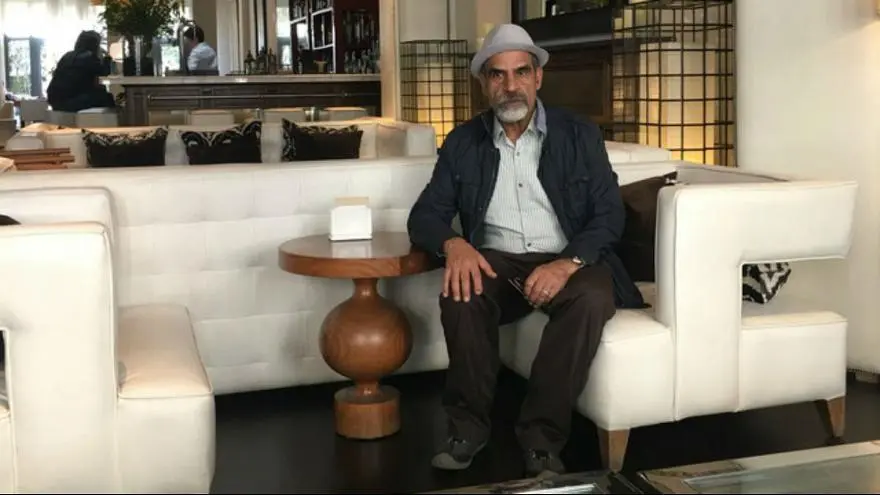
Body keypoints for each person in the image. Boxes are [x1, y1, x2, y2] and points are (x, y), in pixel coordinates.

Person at [406, 23, 645, 479]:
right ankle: (467, 430)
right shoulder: (463, 142)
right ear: (485, 84)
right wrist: (454, 244)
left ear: (538, 78)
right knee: (462, 290)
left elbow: (609, 214)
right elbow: (424, 216)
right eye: (498, 74)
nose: (510, 85)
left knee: (592, 298)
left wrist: (567, 263)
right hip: (499, 260)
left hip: (570, 258)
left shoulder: (578, 134)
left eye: (520, 72)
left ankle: (541, 439)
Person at [46, 30, 114, 113]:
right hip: (72, 102)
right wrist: (107, 58)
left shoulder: (67, 56)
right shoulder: (90, 57)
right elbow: (104, 74)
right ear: (95, 45)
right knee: (106, 97)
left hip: (54, 101)